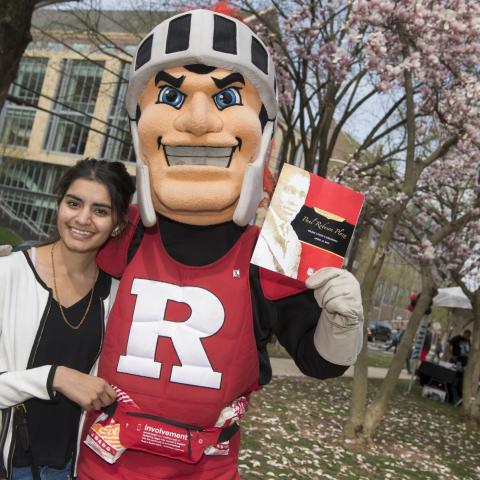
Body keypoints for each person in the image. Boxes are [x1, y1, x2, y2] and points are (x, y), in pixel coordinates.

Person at [76, 8, 364, 480]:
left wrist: (342, 322)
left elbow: (319, 362)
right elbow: (53, 287)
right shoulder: (119, 234)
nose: (196, 120)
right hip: (102, 466)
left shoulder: (268, 256)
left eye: (228, 95)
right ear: (138, 122)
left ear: (263, 129)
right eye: (170, 94)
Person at [0, 159, 135, 480]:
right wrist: (53, 378)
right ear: (59, 206)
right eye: (73, 203)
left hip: (72, 468)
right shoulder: (8, 274)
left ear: (117, 224)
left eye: (100, 211)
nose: (83, 219)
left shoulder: (118, 296)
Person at [252, 166, 310, 277]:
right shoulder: (259, 222)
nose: (295, 201)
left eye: (302, 195)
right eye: (290, 190)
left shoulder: (295, 242)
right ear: (277, 189)